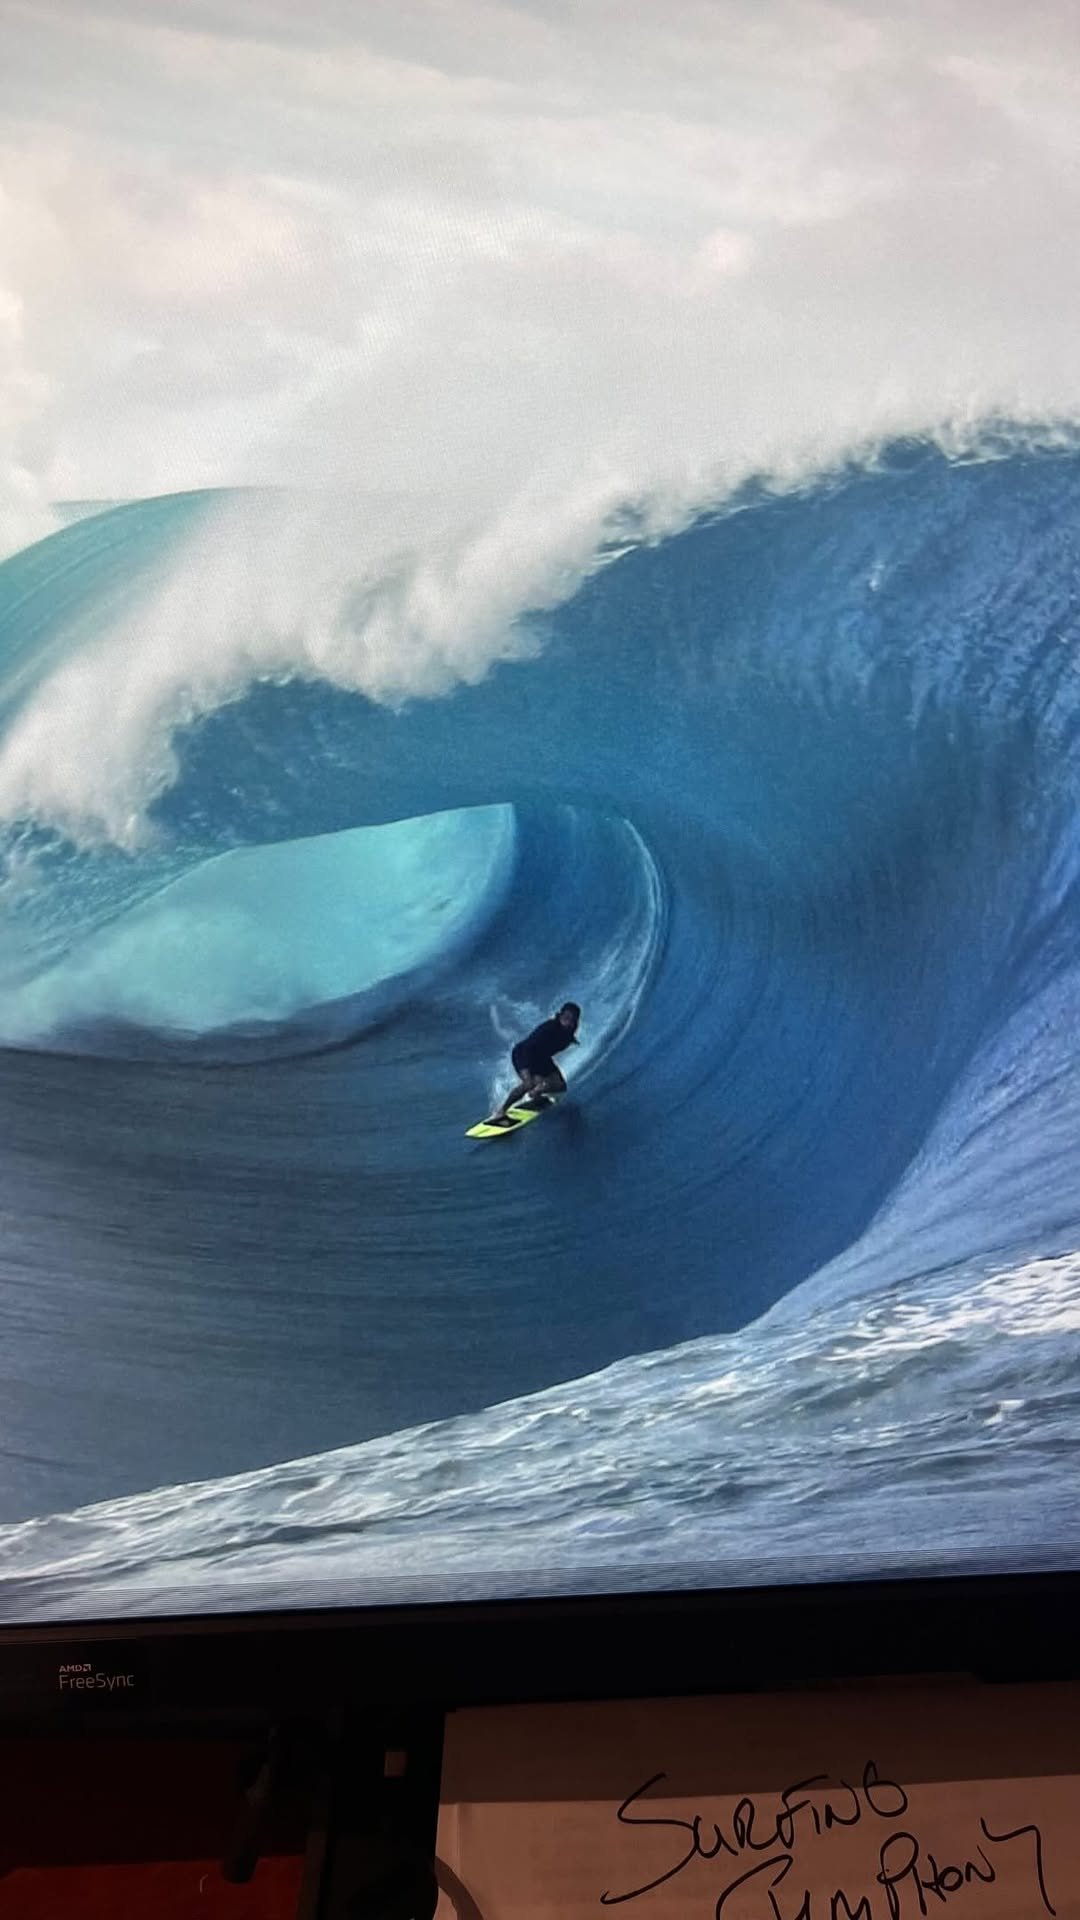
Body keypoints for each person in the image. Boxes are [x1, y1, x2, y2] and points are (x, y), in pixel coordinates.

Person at [489, 1003, 581, 1124]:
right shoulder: (549, 1028)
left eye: (572, 1019)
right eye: (566, 1017)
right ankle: (501, 1112)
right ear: (560, 1016)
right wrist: (529, 1073)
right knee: (528, 1084)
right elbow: (529, 1047)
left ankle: (537, 1093)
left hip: (542, 1058)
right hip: (523, 1053)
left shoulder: (569, 1032)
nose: (568, 1022)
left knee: (561, 1086)